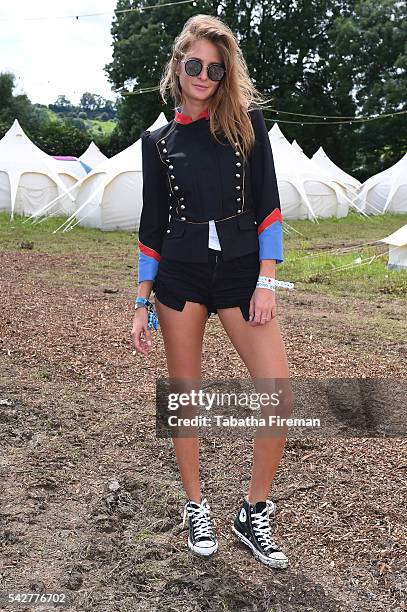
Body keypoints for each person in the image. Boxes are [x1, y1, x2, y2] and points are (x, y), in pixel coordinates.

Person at [131, 14, 293, 570]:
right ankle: (195, 504)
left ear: (226, 75)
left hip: (243, 273)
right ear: (177, 65)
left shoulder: (248, 125)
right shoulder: (156, 142)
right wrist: (140, 300)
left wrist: (267, 278)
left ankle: (253, 512)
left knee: (278, 394)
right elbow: (152, 227)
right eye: (194, 64)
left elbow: (269, 206)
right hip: (179, 276)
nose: (203, 75)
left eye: (215, 69)